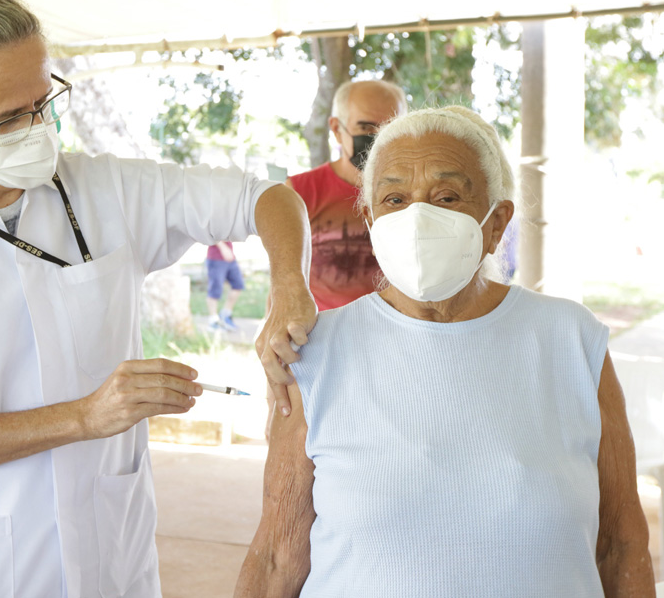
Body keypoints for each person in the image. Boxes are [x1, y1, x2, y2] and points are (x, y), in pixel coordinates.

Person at [0, 0, 315, 597]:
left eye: (43, 100)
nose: (38, 128)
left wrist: (289, 285)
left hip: (112, 566)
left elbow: (265, 197)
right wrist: (85, 416)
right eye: (9, 118)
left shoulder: (105, 188)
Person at [235, 106, 654, 597]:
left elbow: (621, 545)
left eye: (447, 197)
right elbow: (277, 557)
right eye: (395, 198)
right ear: (370, 220)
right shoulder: (317, 354)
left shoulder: (571, 340)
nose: (417, 218)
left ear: (496, 224)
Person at [288, 79, 407, 311]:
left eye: (390, 128)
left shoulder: (417, 193)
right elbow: (283, 280)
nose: (379, 138)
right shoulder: (300, 191)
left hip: (396, 328)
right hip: (323, 328)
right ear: (336, 129)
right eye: (366, 128)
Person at [206, 241, 243, 331]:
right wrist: (223, 247)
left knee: (238, 285)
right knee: (215, 290)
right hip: (216, 258)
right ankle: (213, 321)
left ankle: (225, 315)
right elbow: (211, 234)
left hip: (230, 257)